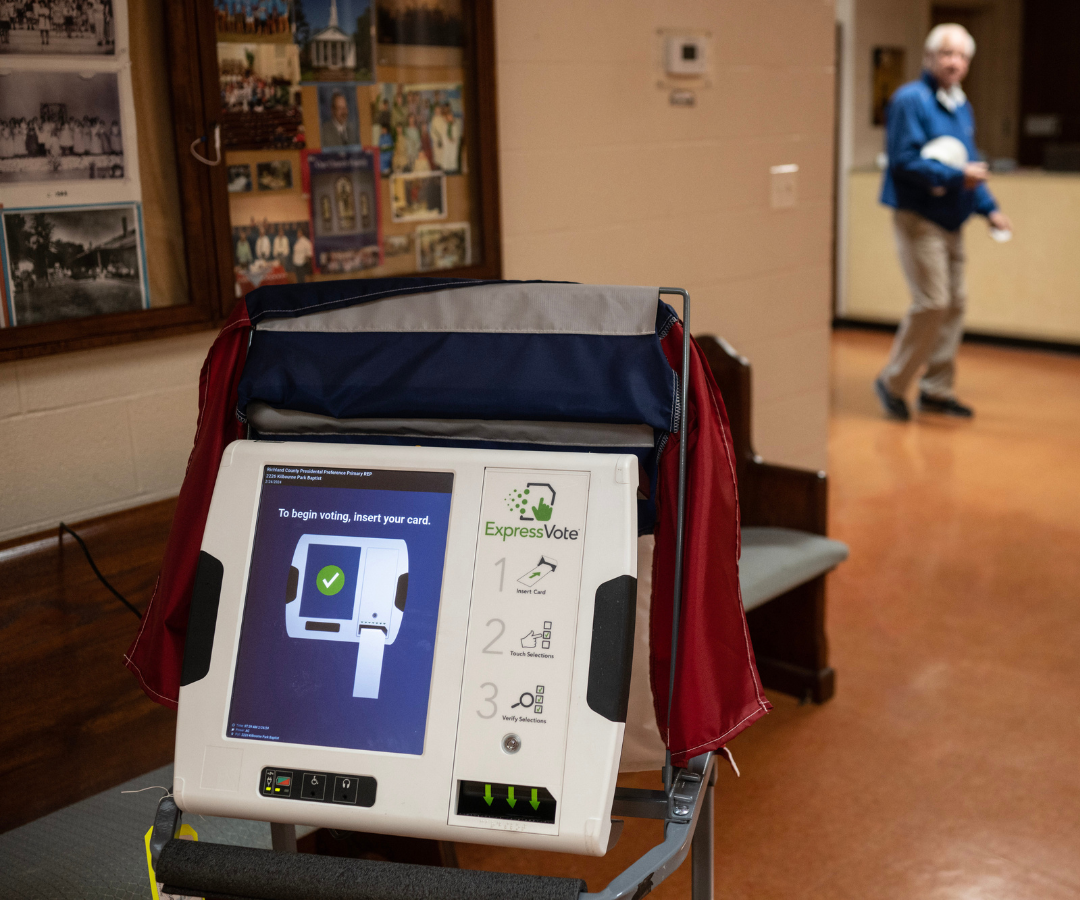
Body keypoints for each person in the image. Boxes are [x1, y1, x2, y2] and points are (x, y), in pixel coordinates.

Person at [874, 23, 1013, 420]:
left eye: (962, 56)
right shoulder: (909, 100)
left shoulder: (960, 104)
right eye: (947, 54)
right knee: (933, 302)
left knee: (955, 306)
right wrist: (956, 178)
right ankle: (893, 382)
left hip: (953, 218)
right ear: (929, 57)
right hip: (920, 218)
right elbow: (904, 161)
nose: (954, 62)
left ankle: (936, 389)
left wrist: (989, 209)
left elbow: (969, 162)